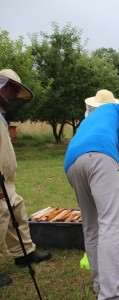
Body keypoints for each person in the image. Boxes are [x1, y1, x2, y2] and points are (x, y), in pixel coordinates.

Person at [64, 89, 119, 299]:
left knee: (92, 227)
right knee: (111, 227)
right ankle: (111, 295)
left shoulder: (87, 119)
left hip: (72, 163)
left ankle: (100, 285)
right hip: (101, 159)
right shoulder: (117, 108)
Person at [0, 69, 51, 287]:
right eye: (13, 89)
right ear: (3, 86)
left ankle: (24, 253)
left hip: (6, 179)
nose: (14, 95)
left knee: (17, 210)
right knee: (1, 218)